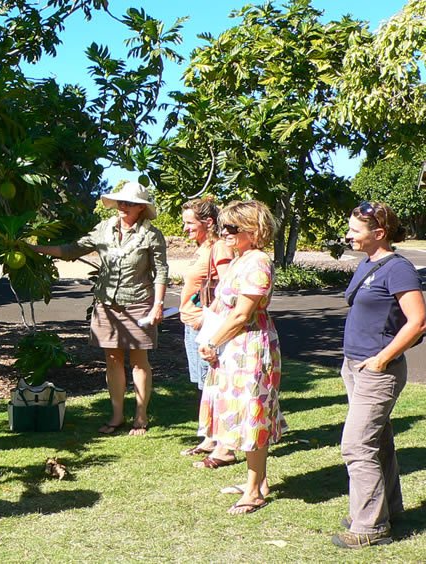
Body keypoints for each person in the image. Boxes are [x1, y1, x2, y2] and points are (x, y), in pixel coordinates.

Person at [30, 181, 168, 436]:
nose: (123, 206)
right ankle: (117, 416)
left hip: (138, 303)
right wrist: (34, 249)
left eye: (129, 203)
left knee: (139, 361)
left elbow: (161, 272)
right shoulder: (104, 229)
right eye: (121, 202)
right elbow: (71, 250)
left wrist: (157, 305)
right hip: (106, 304)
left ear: (141, 208)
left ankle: (141, 416)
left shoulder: (151, 235)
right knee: (112, 359)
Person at [331, 202, 426, 549]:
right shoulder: (367, 263)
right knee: (379, 439)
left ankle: (369, 527)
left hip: (378, 370)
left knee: (356, 445)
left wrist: (381, 359)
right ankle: (390, 509)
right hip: (355, 366)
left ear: (379, 233)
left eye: (355, 230)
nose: (348, 235)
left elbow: (418, 322)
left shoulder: (398, 269)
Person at [197, 200, 285, 515]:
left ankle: (254, 490)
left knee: (253, 416)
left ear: (253, 229)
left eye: (233, 228)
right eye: (224, 227)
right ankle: (256, 483)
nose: (226, 233)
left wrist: (211, 341)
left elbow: (243, 314)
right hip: (235, 347)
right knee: (241, 413)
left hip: (250, 347)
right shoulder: (240, 259)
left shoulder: (258, 262)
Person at [176, 197, 236, 467]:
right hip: (194, 325)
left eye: (190, 223)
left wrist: (208, 317)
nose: (185, 229)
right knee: (205, 385)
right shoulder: (202, 247)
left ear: (208, 222)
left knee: (217, 384)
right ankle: (210, 438)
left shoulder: (220, 247)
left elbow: (228, 287)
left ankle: (224, 445)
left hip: (207, 326)